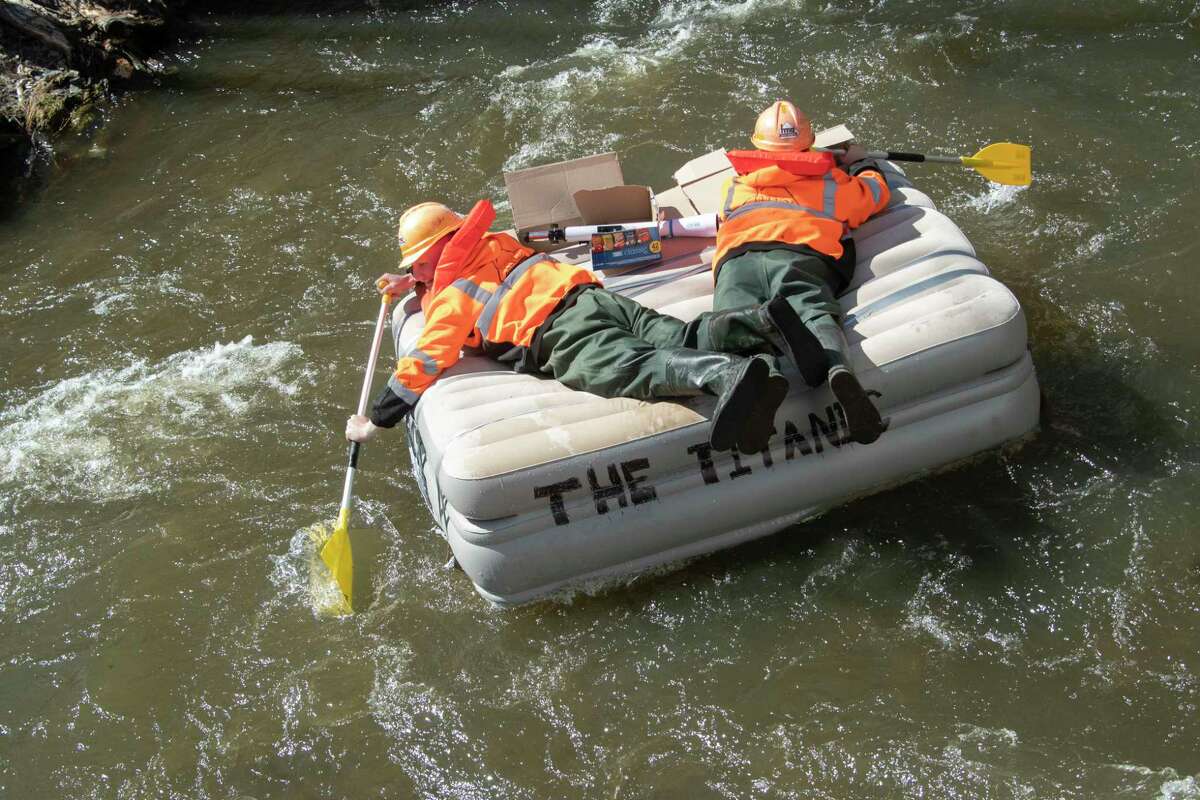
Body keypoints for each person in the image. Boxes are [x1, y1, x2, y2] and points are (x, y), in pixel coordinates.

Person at [344, 198, 812, 454]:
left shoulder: (450, 298)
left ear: (439, 252)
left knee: (633, 368)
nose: (419, 273)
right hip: (592, 297)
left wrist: (375, 420)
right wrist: (411, 280)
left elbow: (427, 360)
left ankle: (723, 376)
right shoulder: (493, 241)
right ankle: (762, 324)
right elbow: (452, 269)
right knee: (676, 335)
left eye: (419, 264)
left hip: (559, 333)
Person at [713, 100, 892, 444]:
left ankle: (762, 372)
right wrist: (863, 164)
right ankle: (838, 366)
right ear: (808, 146)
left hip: (738, 260)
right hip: (800, 253)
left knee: (739, 321)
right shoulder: (831, 184)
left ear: (757, 148)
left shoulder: (733, 188)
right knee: (813, 307)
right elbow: (873, 195)